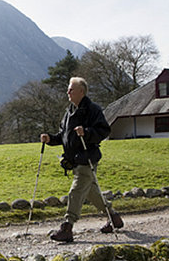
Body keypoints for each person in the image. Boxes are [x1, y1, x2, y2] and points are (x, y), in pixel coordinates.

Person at [40, 77, 123, 242]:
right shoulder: (69, 112)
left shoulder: (93, 110)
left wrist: (86, 132)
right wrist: (50, 139)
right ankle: (113, 218)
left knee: (76, 191)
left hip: (87, 159)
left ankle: (67, 227)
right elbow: (63, 137)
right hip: (75, 161)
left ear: (81, 92)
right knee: (91, 192)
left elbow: (104, 131)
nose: (68, 92)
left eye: (71, 89)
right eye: (68, 89)